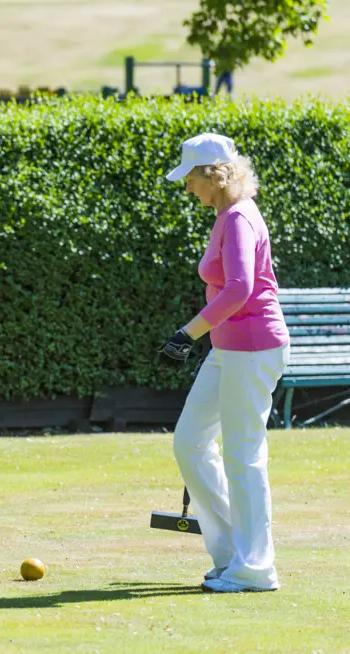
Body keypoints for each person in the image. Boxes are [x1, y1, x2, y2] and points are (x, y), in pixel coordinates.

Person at [158, 133, 290, 593]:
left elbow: (240, 288)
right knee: (191, 441)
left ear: (213, 175)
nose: (188, 186)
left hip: (253, 348)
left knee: (243, 455)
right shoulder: (224, 215)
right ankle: (233, 552)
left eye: (191, 177)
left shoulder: (237, 218)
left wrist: (186, 334)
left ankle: (255, 568)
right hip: (228, 348)